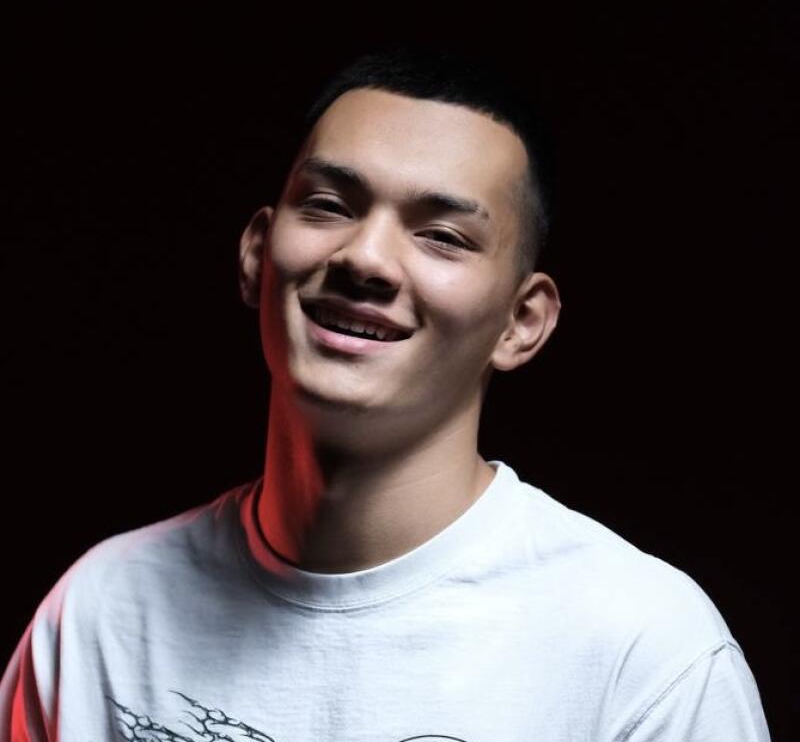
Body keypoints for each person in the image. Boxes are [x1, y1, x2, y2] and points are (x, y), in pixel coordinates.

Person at [0, 44, 771, 741]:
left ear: (521, 322)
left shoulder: (643, 654)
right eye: (330, 205)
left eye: (441, 235)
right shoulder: (102, 613)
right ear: (256, 253)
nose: (365, 258)